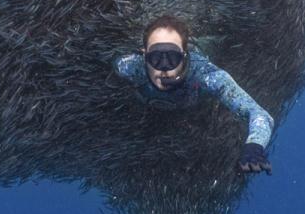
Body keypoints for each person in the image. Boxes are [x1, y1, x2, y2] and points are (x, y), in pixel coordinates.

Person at [114, 15, 274, 175]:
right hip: (149, 127)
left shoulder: (203, 74)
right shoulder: (131, 68)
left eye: (172, 58)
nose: (164, 67)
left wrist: (254, 145)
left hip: (194, 119)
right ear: (144, 56)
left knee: (220, 41)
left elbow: (258, 113)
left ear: (184, 56)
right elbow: (110, 62)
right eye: (156, 57)